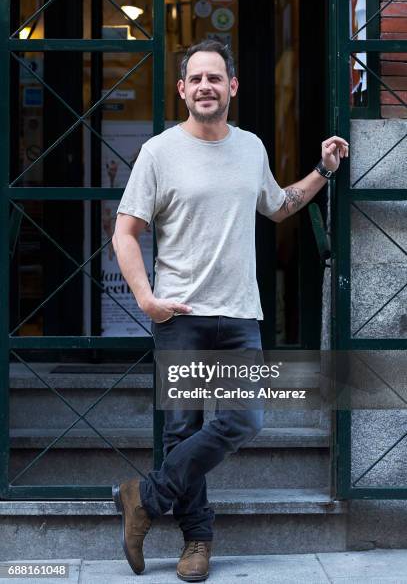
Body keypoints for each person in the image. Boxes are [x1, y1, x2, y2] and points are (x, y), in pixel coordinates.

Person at [111, 40, 349, 581]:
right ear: (182, 89)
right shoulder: (159, 153)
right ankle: (198, 541)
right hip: (180, 316)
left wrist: (323, 168)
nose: (205, 87)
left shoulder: (251, 148)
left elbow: (279, 204)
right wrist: (147, 299)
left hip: (241, 313)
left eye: (215, 79)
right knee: (182, 431)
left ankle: (143, 497)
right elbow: (125, 233)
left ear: (232, 87)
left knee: (245, 417)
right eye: (195, 79)